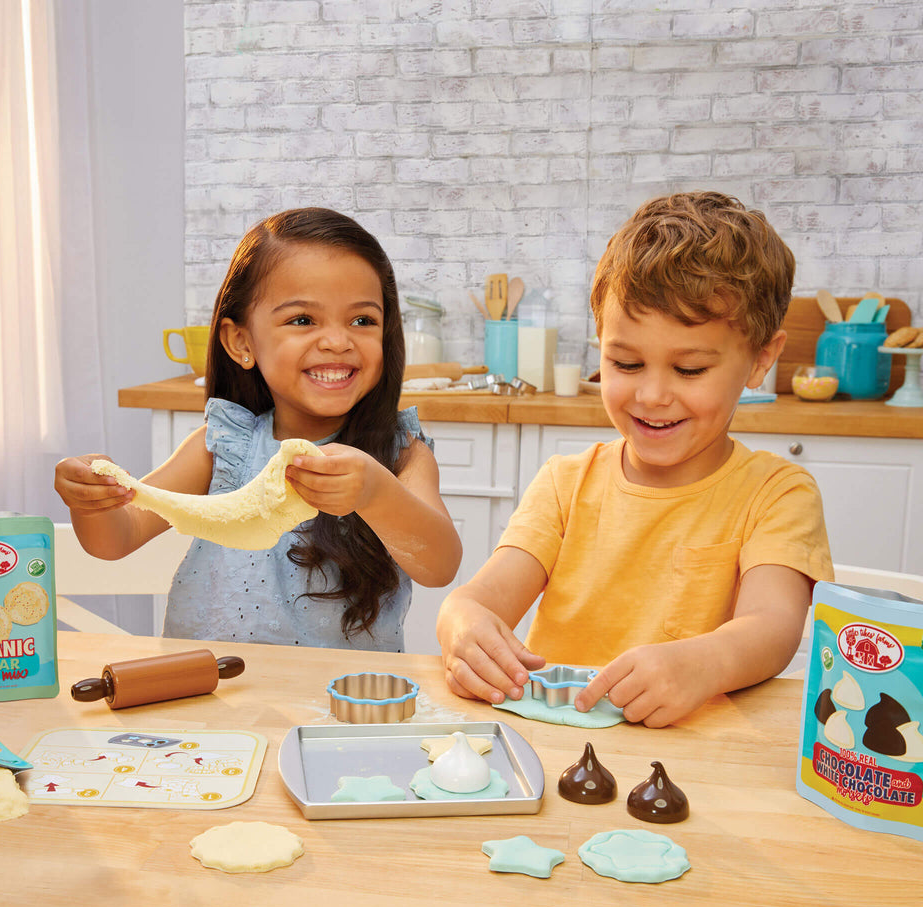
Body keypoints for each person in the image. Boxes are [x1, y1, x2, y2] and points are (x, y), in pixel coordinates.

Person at [436, 191, 833, 727]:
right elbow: (481, 600)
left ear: (761, 358)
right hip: (559, 745)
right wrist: (460, 621)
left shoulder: (777, 493)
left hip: (693, 758)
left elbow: (772, 625)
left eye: (689, 370)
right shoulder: (565, 484)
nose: (651, 396)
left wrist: (705, 662)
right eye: (625, 363)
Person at [55, 207, 461, 651]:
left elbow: (439, 565)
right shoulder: (224, 447)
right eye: (303, 320)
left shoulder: (399, 454)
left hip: (336, 709)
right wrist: (93, 500)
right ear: (242, 342)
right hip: (211, 697)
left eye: (362, 320)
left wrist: (375, 493)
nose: (338, 341)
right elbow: (118, 537)